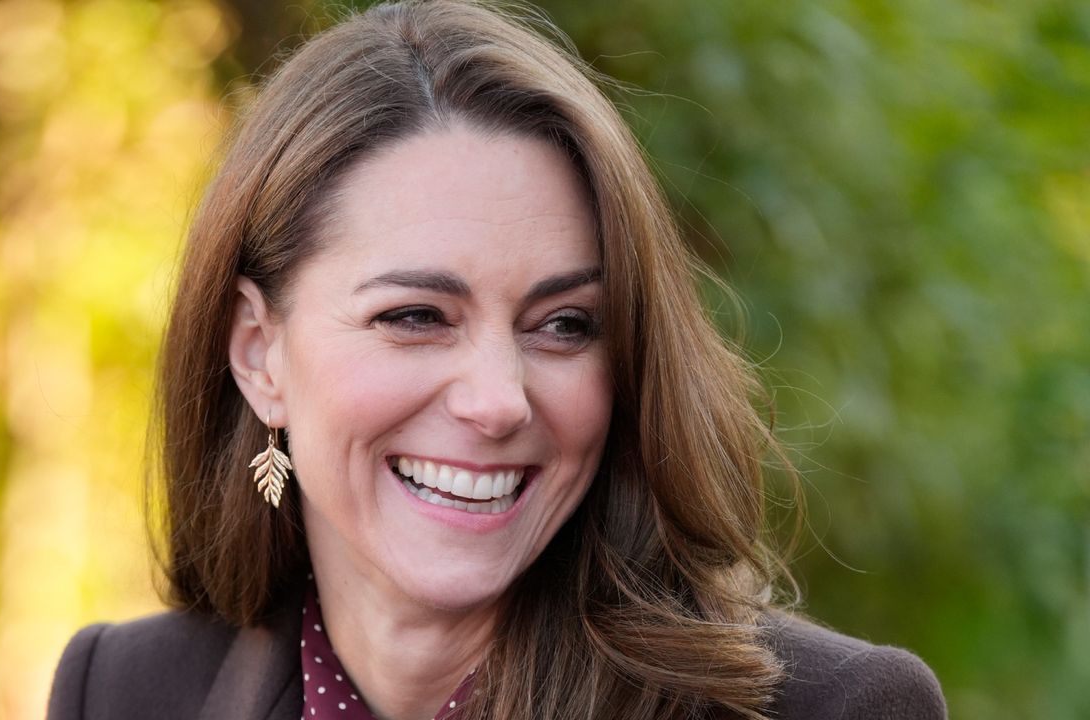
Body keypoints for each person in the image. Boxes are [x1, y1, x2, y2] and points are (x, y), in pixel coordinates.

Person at [47, 1, 947, 718]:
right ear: (259, 354)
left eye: (563, 325)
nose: (498, 400)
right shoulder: (121, 691)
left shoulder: (836, 710)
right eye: (415, 316)